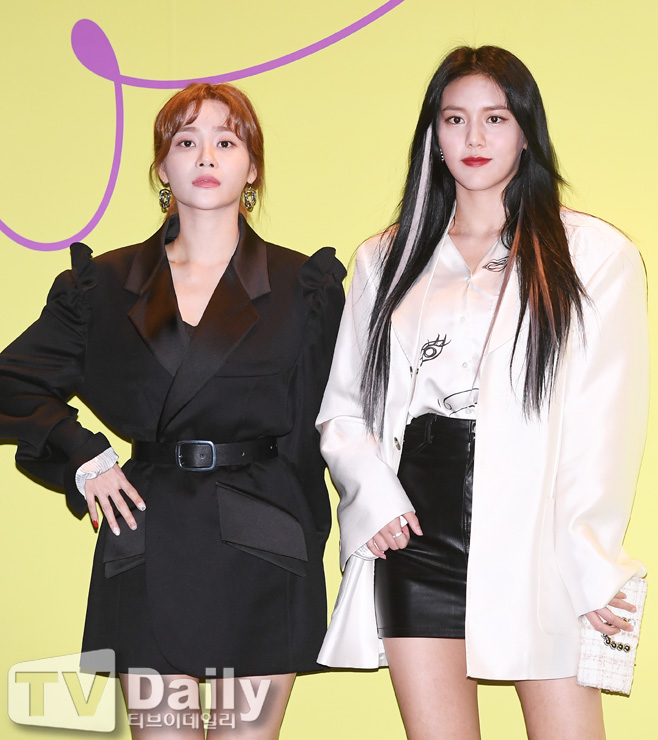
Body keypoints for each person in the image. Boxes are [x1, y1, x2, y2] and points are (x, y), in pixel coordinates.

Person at [316, 46, 648, 740]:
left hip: (535, 529)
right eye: (454, 119)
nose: (473, 137)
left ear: (526, 132)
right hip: (417, 530)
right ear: (433, 136)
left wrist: (588, 559)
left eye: (495, 118)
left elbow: (603, 424)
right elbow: (344, 407)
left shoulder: (592, 254)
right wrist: (373, 496)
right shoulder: (384, 258)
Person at [0, 82, 345, 739]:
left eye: (226, 141)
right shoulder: (104, 286)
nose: (206, 155)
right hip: (149, 535)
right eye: (186, 141)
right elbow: (11, 382)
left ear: (252, 167)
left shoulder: (303, 288)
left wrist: (312, 543)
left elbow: (324, 427)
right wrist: (84, 458)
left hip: (265, 545)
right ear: (162, 167)